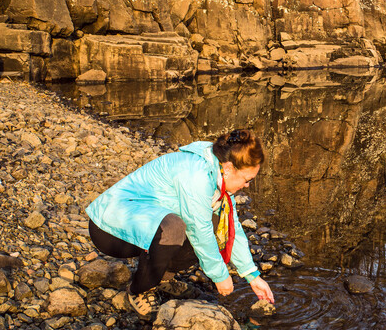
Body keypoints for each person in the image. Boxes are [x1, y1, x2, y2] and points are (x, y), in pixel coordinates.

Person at [86, 129, 275, 316]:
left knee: (216, 221)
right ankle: (139, 290)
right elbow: (199, 230)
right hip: (108, 229)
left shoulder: (216, 173)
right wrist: (220, 276)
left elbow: (231, 226)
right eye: (247, 179)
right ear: (228, 168)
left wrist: (253, 276)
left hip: (145, 223)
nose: (248, 185)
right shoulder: (196, 175)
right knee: (174, 228)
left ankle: (162, 278)